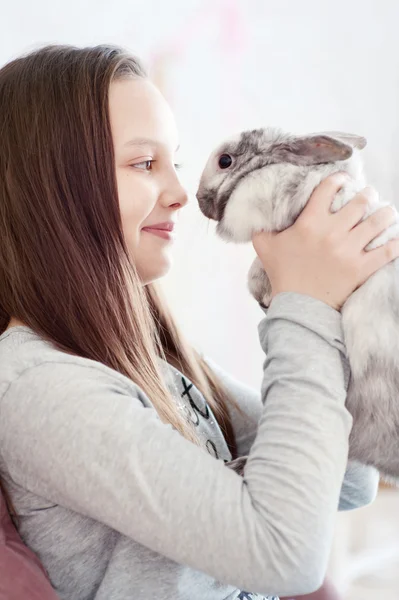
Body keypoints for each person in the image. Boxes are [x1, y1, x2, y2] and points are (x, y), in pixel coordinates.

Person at [0, 43, 397, 600]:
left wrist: (342, 296)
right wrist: (303, 302)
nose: (183, 194)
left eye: (175, 162)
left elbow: (348, 480)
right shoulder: (44, 388)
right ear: (53, 187)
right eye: (144, 163)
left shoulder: (151, 361)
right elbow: (286, 554)